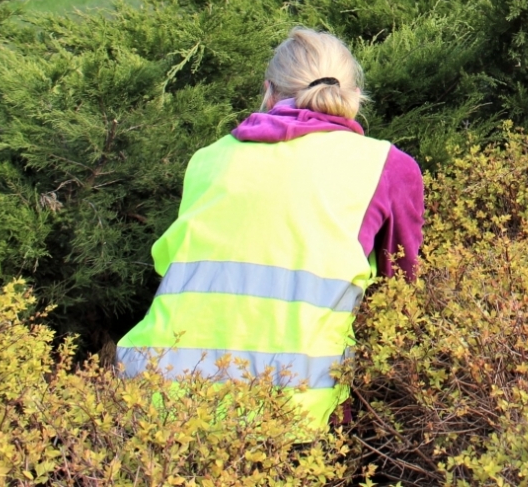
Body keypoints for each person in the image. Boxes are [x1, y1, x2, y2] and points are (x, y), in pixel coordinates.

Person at [115, 27, 423, 430]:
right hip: (295, 411)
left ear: (268, 92)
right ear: (353, 95)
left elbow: (169, 266)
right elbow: (403, 286)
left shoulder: (208, 159)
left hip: (159, 399)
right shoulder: (387, 166)